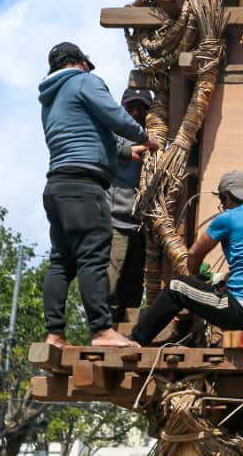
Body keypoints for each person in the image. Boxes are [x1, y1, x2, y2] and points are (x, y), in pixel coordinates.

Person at [39, 41, 157, 348]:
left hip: (57, 185)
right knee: (94, 257)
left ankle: (54, 333)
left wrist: (125, 150)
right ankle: (102, 331)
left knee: (62, 262)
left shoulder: (50, 98)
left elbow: (91, 134)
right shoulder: (83, 81)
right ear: (80, 62)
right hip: (84, 185)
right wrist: (147, 137)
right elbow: (115, 117)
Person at [130, 172, 243, 345]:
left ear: (228, 197)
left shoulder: (229, 217)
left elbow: (194, 254)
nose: (223, 206)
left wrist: (194, 276)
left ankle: (136, 340)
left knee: (176, 287)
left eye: (222, 202)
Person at [108, 87, 153, 322]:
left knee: (134, 284)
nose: (136, 113)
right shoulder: (113, 131)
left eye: (142, 108)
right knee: (109, 281)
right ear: (122, 108)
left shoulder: (152, 137)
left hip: (138, 223)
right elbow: (103, 147)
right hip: (114, 220)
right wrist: (131, 150)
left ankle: (125, 330)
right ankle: (103, 329)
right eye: (131, 107)